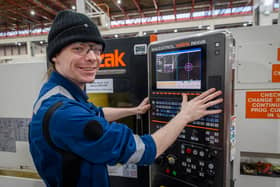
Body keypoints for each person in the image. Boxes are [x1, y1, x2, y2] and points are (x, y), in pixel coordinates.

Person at [29, 10, 223, 187]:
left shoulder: (55, 93)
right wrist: (184, 116)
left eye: (96, 49)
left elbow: (96, 114)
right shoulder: (65, 114)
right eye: (79, 49)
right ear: (55, 55)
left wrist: (134, 111)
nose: (92, 58)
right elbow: (145, 150)